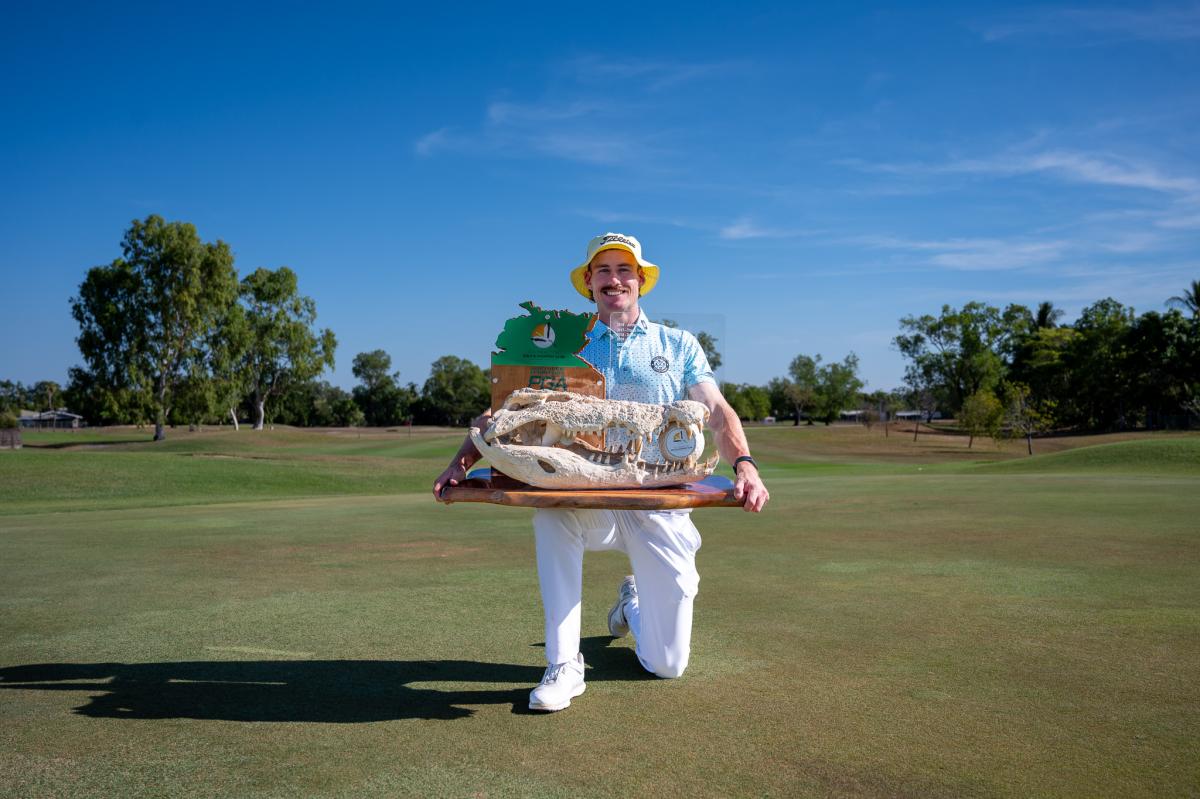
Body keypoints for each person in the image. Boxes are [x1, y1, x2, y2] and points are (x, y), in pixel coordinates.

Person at [433, 232, 769, 711]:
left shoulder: (678, 344)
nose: (615, 280)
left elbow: (715, 410)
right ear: (589, 281)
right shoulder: (565, 344)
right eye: (604, 271)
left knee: (667, 664)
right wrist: (460, 462)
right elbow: (508, 412)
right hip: (586, 498)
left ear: (640, 279)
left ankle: (633, 603)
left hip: (660, 505)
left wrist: (746, 465)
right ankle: (564, 665)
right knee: (551, 515)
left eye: (625, 270)